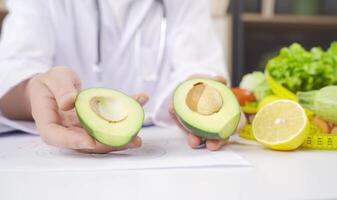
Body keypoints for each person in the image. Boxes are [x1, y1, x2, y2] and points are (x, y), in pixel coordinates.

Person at [0, 0, 238, 153]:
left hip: (164, 151)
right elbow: (13, 69)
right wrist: (35, 91)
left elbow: (198, 63)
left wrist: (199, 110)